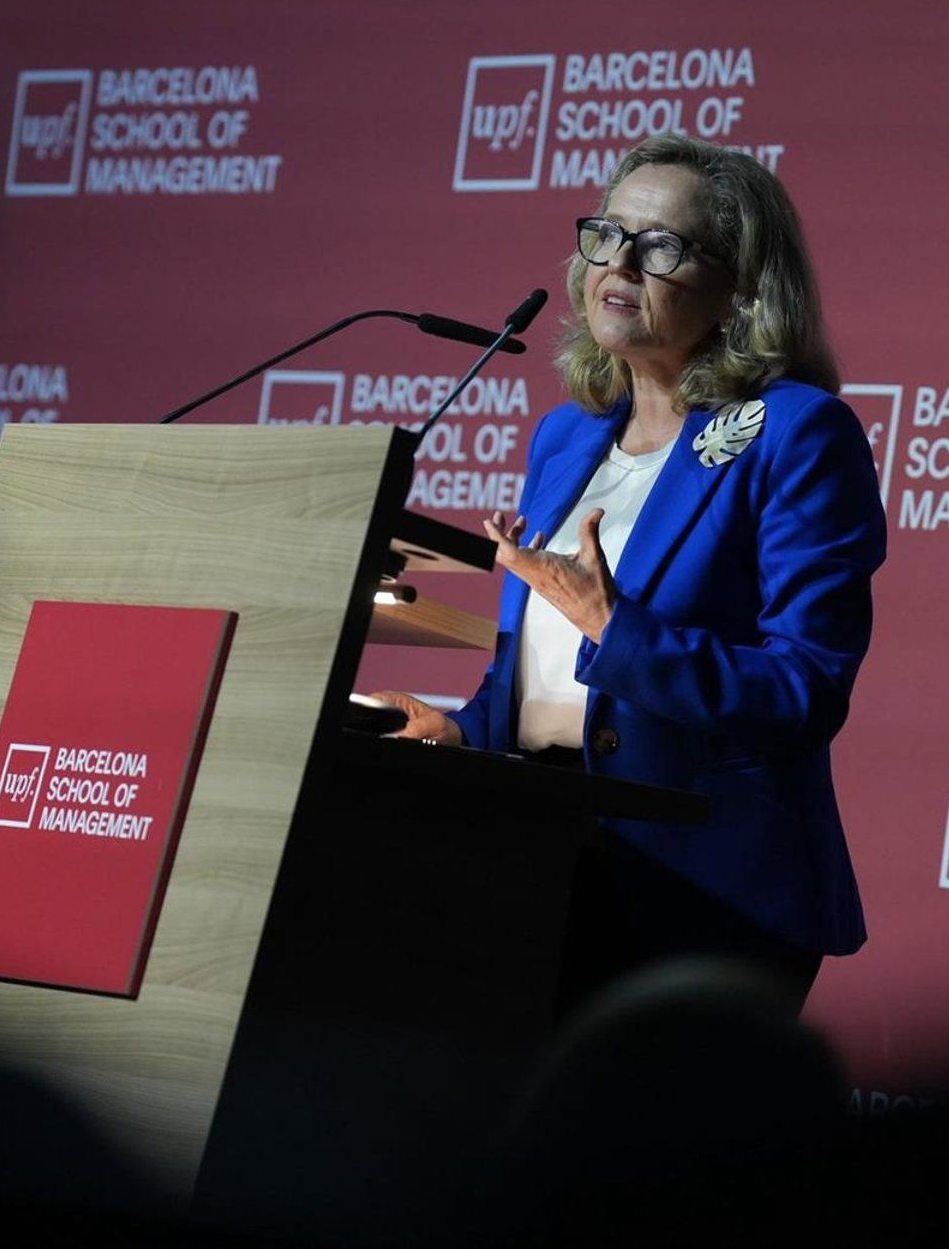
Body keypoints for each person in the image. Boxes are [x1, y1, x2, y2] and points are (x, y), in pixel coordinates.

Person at [379, 133, 885, 1010]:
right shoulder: (566, 437)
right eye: (608, 235)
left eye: (663, 247)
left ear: (740, 287)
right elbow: (544, 680)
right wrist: (462, 728)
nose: (619, 263)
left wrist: (617, 629)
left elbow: (805, 690)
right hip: (538, 862)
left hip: (705, 892)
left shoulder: (798, 435)